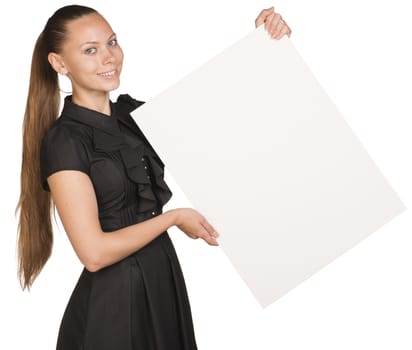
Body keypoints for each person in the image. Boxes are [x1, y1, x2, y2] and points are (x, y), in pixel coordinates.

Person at [16, 4, 291, 349]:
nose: (109, 57)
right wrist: (173, 218)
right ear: (59, 64)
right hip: (113, 302)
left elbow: (221, 117)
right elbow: (94, 253)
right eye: (90, 50)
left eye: (112, 42)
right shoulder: (65, 141)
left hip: (162, 280)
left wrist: (261, 44)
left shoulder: (134, 115)